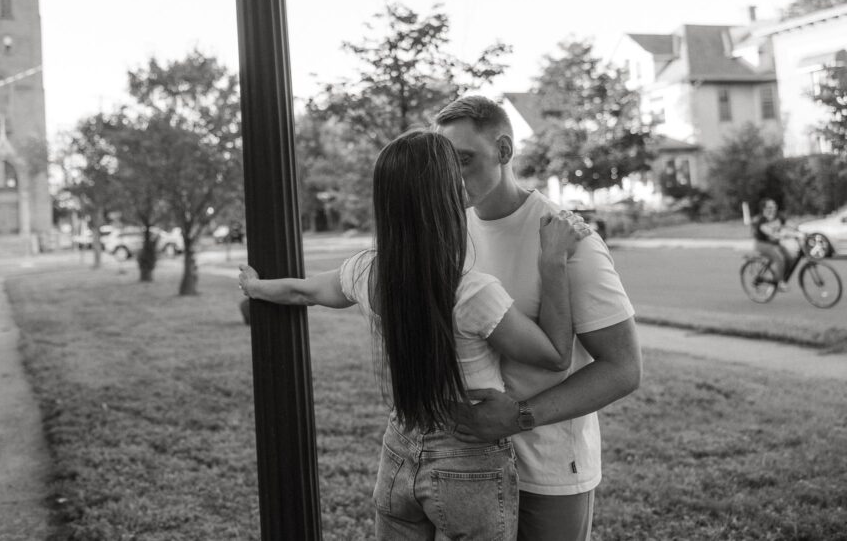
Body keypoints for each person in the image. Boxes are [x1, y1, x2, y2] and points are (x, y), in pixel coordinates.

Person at [238, 130, 590, 540]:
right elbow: (555, 355)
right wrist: (553, 262)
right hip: (466, 457)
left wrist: (257, 287)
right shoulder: (473, 292)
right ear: (447, 197)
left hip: (399, 449)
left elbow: (304, 290)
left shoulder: (366, 272)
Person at [434, 95, 642, 541]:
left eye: (465, 159)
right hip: (465, 462)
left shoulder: (568, 240)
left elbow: (623, 368)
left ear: (504, 152)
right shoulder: (453, 230)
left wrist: (517, 418)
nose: (453, 176)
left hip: (548, 470)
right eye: (445, 162)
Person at [751, 198, 798, 291]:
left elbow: (790, 224)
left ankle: (781, 277)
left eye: (774, 206)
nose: (773, 208)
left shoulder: (778, 216)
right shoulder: (761, 220)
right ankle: (779, 283)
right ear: (764, 209)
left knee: (791, 258)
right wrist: (783, 235)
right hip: (763, 245)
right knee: (780, 259)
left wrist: (799, 229)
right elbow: (769, 232)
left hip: (775, 244)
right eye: (770, 207)